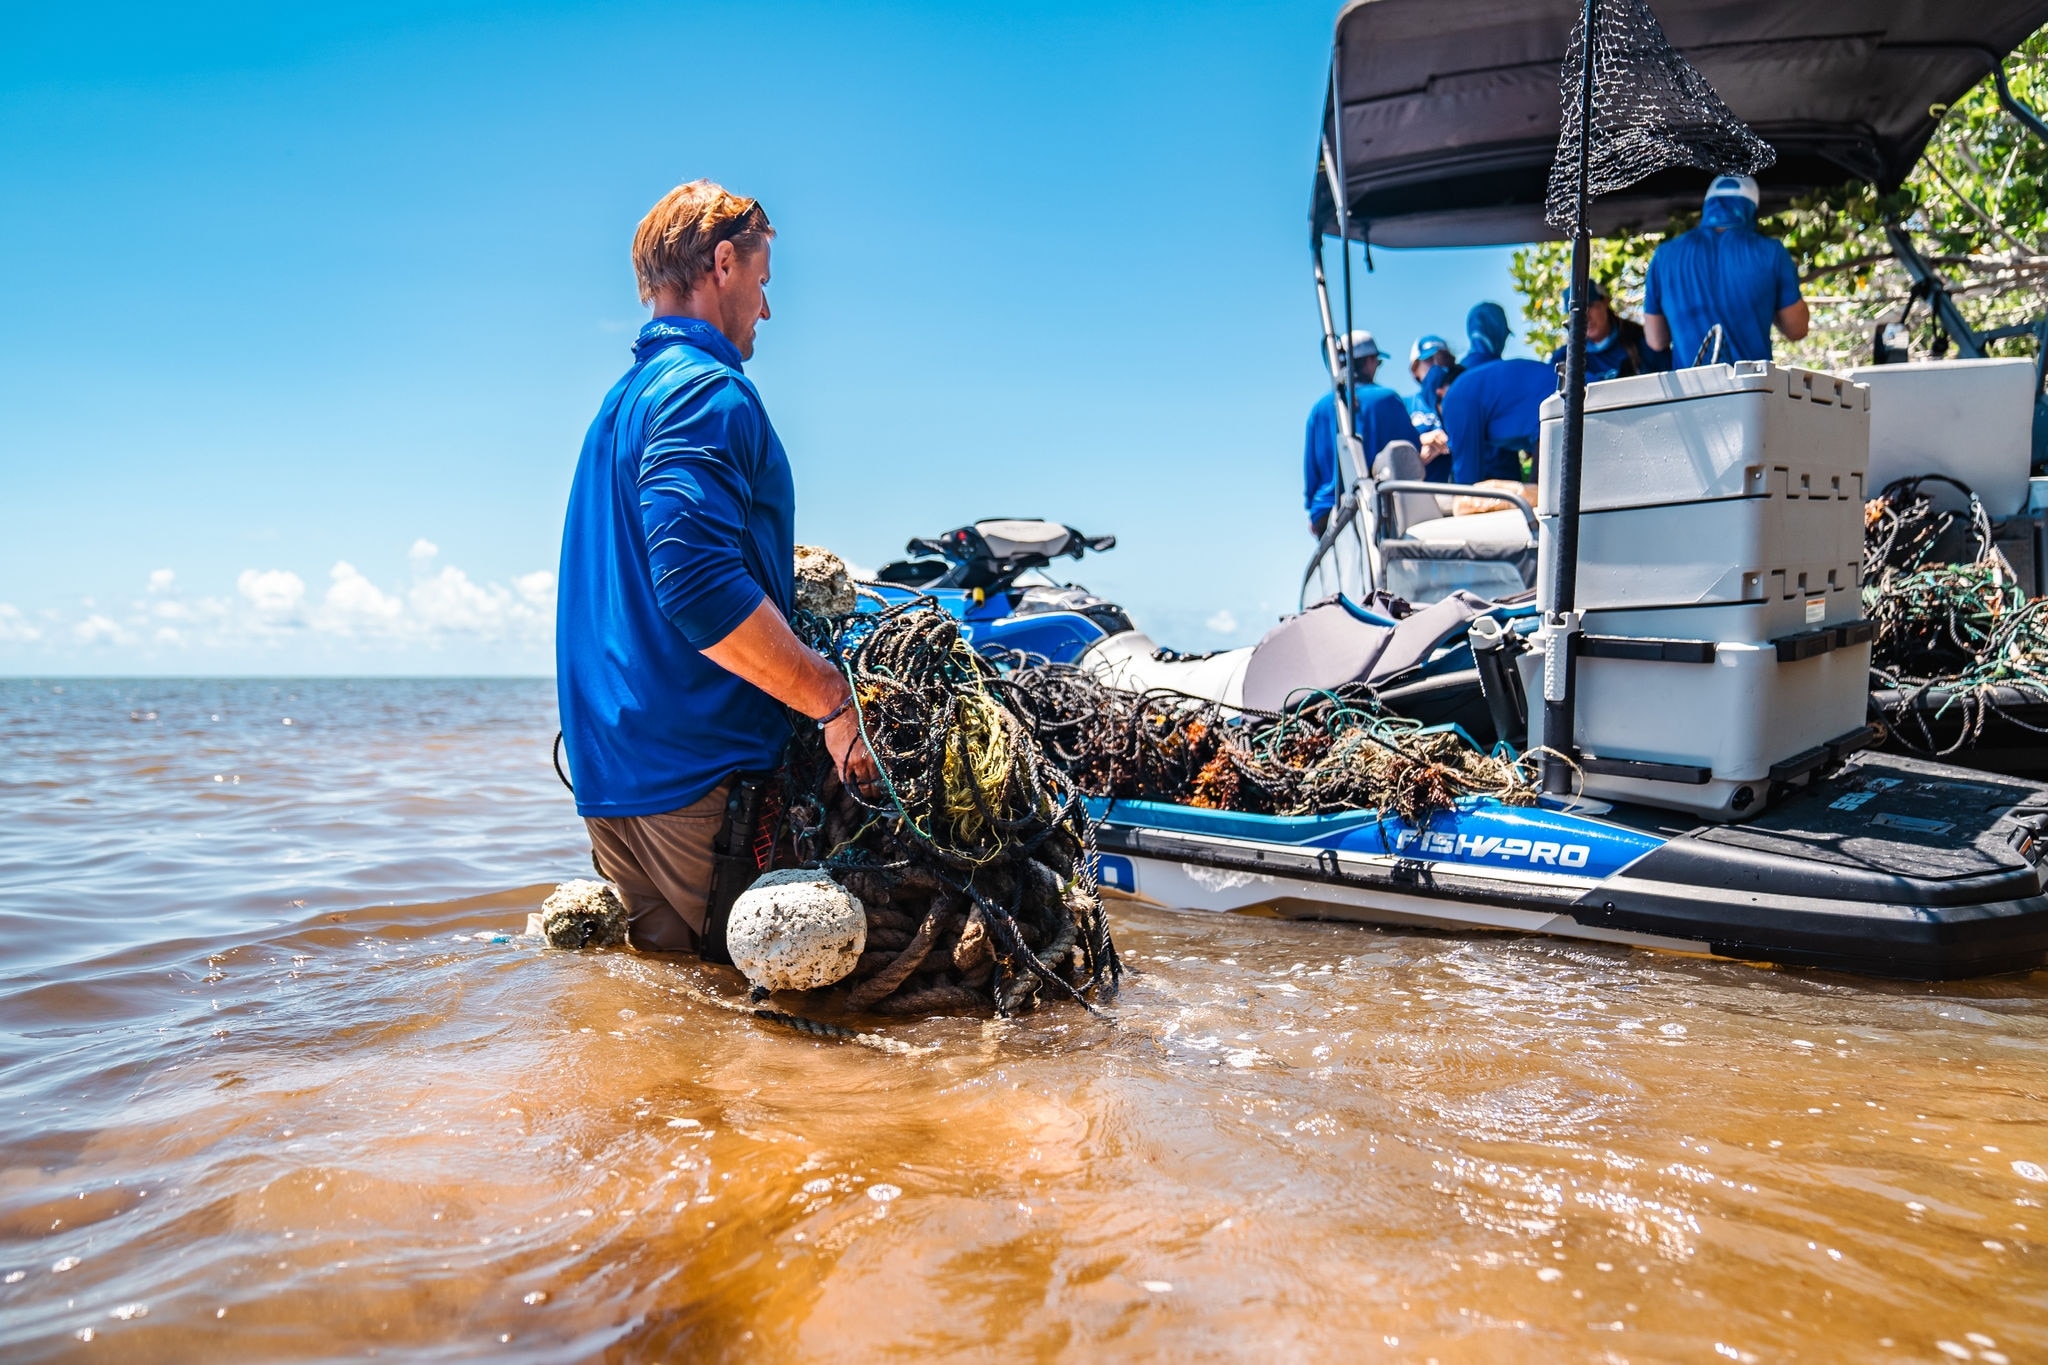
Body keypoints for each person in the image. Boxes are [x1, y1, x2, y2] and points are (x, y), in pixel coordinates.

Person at [556, 179, 877, 955]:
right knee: (786, 1022)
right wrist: (832, 701)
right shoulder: (708, 392)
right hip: (703, 780)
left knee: (686, 1027)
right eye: (763, 284)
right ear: (723, 264)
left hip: (613, 781)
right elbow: (696, 584)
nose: (765, 310)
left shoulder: (619, 404)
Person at [1643, 174, 1809, 367]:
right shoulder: (1771, 252)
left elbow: (1656, 340)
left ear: (1708, 206)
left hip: (1689, 393)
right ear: (1751, 209)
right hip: (1749, 391)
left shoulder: (1665, 255)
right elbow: (1797, 329)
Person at [1303, 329, 1421, 537]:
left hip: (1326, 517)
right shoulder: (1387, 399)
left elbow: (1311, 475)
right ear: (1367, 361)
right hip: (1380, 511)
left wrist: (1314, 515)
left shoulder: (1319, 408)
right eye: (1377, 361)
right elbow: (1412, 456)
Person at [1438, 302, 1557, 498]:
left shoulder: (1464, 387)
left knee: (1542, 504)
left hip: (1561, 424)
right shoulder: (1463, 394)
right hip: (1571, 419)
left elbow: (1467, 489)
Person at [1546, 279, 1668, 383]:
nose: (1585, 317)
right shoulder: (1564, 359)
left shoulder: (1642, 341)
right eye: (1575, 313)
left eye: (1590, 306)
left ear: (1605, 302)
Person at [1405, 334, 1458, 478]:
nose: (1436, 366)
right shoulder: (1405, 405)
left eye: (1442, 359)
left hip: (1459, 490)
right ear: (1415, 369)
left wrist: (1445, 444)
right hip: (1417, 493)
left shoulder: (1463, 401)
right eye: (1428, 360)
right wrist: (1422, 440)